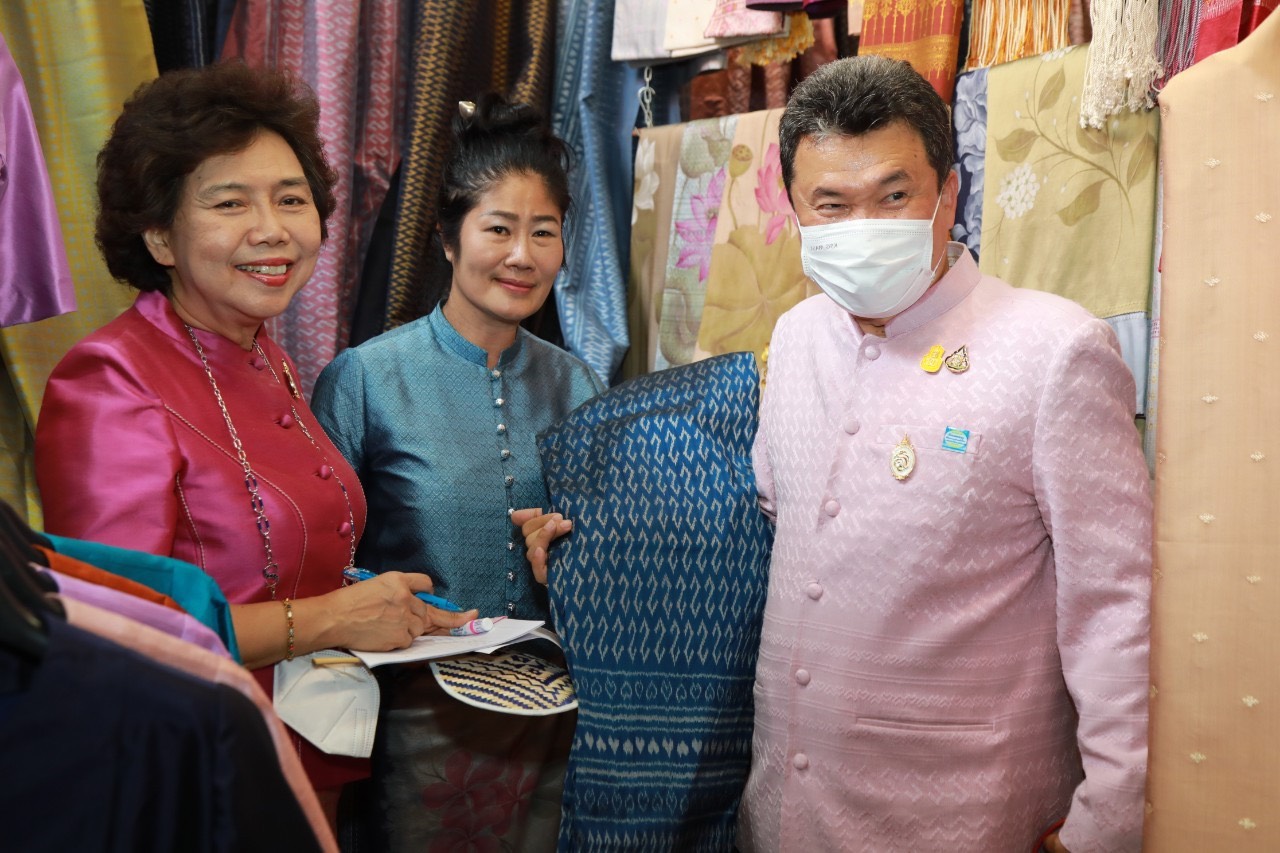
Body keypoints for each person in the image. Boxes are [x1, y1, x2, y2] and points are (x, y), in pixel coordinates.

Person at [717, 55, 1151, 853]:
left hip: (961, 813)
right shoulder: (796, 335)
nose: (863, 228)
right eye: (832, 204)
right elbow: (777, 519)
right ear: (796, 213)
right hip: (784, 808)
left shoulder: (1053, 350)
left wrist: (1105, 823)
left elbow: (1116, 605)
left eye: (893, 196)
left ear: (948, 192)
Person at [33, 61, 474, 821]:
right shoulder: (110, 377)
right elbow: (117, 629)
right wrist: (337, 619)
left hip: (304, 755)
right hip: (188, 778)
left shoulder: (268, 357)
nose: (272, 229)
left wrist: (382, 603)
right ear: (161, 235)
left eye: (291, 199)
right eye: (230, 202)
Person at [310, 94, 603, 850]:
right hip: (413, 723)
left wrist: (573, 545)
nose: (522, 255)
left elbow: (610, 568)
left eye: (544, 233)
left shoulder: (581, 387)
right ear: (449, 237)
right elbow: (318, 562)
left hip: (554, 718)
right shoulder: (365, 379)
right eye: (498, 229)